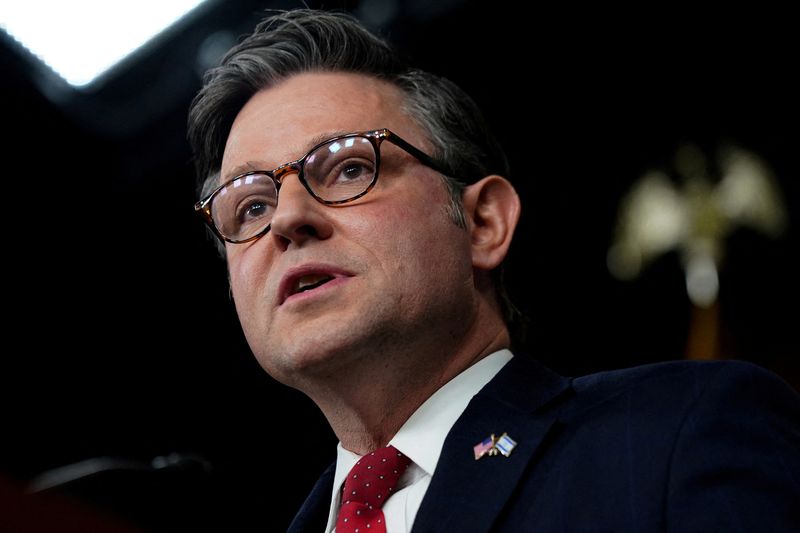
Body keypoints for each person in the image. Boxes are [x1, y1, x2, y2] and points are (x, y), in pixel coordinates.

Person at [188, 9, 799, 532]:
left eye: (349, 168)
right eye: (251, 205)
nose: (289, 218)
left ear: (483, 223)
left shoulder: (678, 434)